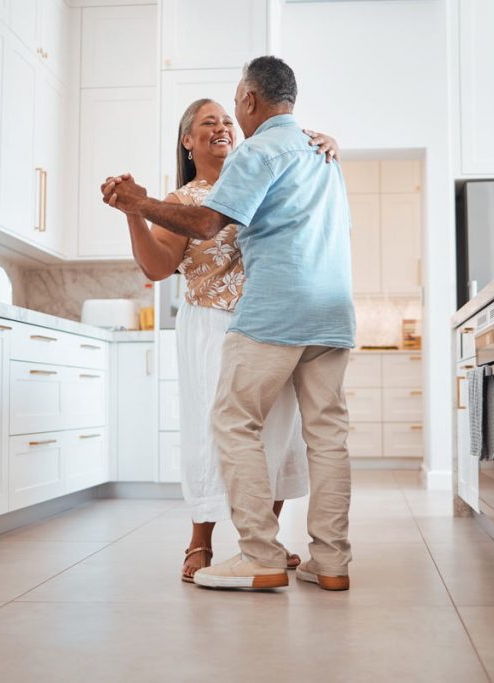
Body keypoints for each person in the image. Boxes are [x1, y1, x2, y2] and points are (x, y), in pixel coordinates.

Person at [102, 55, 355, 592]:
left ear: (248, 102)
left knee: (248, 430)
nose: (223, 126)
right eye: (206, 123)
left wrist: (138, 201)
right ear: (187, 142)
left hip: (269, 318)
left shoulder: (264, 153)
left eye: (227, 114)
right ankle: (329, 563)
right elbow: (162, 261)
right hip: (320, 313)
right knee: (323, 437)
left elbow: (211, 222)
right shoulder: (313, 153)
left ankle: (260, 551)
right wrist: (141, 209)